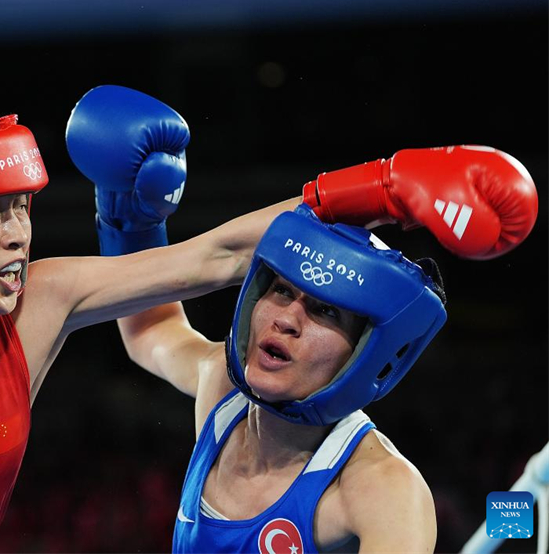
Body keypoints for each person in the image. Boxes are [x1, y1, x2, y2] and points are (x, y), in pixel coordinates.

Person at [0, 84, 536, 554]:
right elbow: (163, 331)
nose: (20, 233)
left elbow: (221, 255)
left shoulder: (37, 306)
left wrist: (386, 187)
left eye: (23, 206)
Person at [73, 120, 539, 552]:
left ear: (363, 352)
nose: (287, 319)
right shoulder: (222, 393)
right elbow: (151, 331)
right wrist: (130, 222)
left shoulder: (381, 488)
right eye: (280, 290)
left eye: (324, 310)